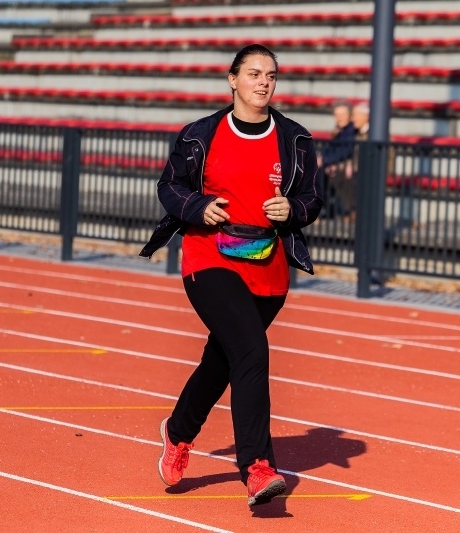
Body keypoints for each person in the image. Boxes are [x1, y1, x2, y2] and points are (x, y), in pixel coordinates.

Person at [138, 44, 322, 508]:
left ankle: (177, 432)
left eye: (272, 75)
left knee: (225, 358)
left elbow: (312, 200)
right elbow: (170, 186)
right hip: (209, 257)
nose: (264, 82)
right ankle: (258, 467)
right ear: (232, 80)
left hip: (267, 267)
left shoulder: (295, 139)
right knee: (251, 349)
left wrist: (292, 210)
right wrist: (199, 207)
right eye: (255, 73)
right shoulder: (201, 134)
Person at [317, 100, 355, 217]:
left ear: (349, 116)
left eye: (342, 115)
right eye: (337, 115)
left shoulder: (350, 132)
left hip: (342, 166)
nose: (339, 118)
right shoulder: (340, 131)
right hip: (332, 164)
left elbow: (345, 151)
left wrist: (324, 160)